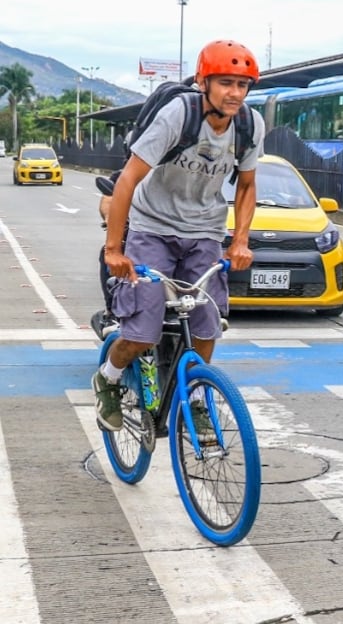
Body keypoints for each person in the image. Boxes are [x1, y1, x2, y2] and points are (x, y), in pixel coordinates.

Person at [92, 40, 265, 433]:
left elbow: (247, 186)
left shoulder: (250, 125)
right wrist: (114, 249)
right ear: (204, 83)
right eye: (225, 83)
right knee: (142, 332)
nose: (235, 93)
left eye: (242, 84)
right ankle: (108, 377)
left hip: (204, 231)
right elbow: (128, 180)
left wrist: (240, 240)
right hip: (153, 227)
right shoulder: (178, 115)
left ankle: (198, 399)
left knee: (207, 324)